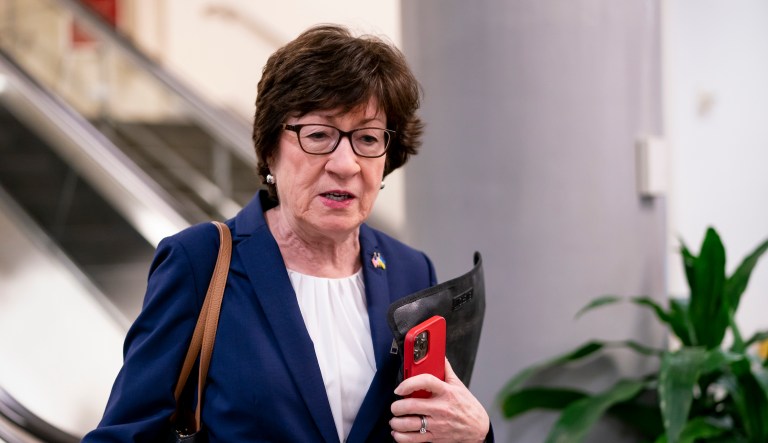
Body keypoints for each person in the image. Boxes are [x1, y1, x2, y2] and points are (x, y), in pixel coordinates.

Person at [83, 24, 491, 442]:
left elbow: (432, 422)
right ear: (270, 149)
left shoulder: (410, 270)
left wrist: (477, 434)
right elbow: (122, 434)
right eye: (319, 135)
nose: (346, 164)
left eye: (368, 138)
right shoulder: (199, 262)